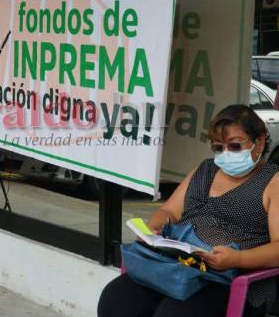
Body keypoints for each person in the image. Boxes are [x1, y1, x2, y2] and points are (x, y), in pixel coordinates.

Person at [98, 104, 279, 317]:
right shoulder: (206, 169)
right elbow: (170, 212)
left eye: (235, 146)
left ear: (259, 143)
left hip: (226, 279)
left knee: (173, 315)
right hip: (176, 268)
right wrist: (155, 226)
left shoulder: (272, 181)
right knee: (115, 300)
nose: (225, 154)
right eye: (219, 148)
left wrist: (237, 259)